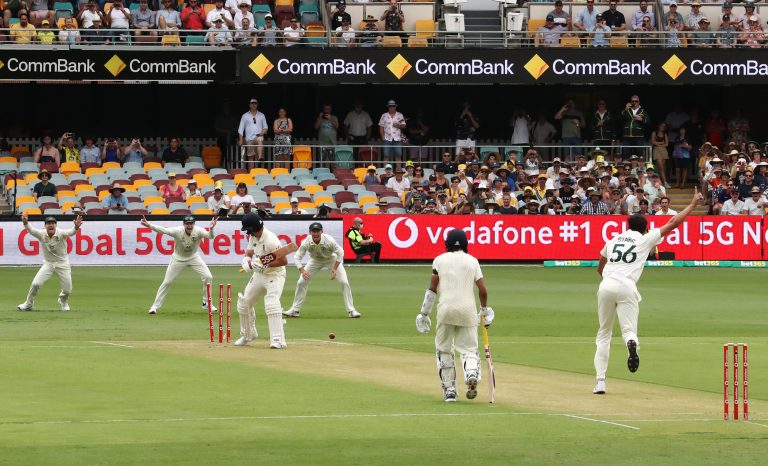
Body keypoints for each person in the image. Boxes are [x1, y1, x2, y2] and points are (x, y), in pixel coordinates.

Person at [592, 191, 703, 395]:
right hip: (627, 286)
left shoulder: (614, 240)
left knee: (604, 334)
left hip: (606, 284)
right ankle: (632, 344)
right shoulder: (644, 239)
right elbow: (672, 223)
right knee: (628, 331)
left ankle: (600, 382)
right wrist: (693, 204)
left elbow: (600, 267)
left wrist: (608, 283)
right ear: (645, 229)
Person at [415, 229, 493, 402]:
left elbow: (432, 289)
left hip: (446, 310)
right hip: (468, 311)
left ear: (447, 244)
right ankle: (471, 373)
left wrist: (424, 313)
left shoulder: (439, 260)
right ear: (465, 244)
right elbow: (483, 290)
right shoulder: (473, 261)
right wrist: (485, 310)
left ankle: (450, 390)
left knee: (444, 350)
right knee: (469, 349)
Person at [142, 215, 218, 315]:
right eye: (187, 224)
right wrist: (149, 225)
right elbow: (164, 230)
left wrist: (211, 228)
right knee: (167, 282)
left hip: (193, 257)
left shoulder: (199, 231)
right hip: (178, 259)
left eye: (191, 224)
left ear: (194, 224)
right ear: (183, 224)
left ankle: (207, 303)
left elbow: (210, 236)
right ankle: (154, 307)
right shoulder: (177, 231)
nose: (189, 226)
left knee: (208, 276)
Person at [283, 222, 361, 319]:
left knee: (344, 282)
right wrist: (303, 271)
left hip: (331, 259)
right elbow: (297, 257)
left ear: (322, 231)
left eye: (317, 231)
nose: (315, 234)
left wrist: (334, 268)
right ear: (310, 232)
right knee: (301, 282)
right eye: (313, 231)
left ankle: (351, 310)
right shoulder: (306, 242)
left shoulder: (329, 240)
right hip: (315, 261)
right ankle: (295, 310)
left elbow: (341, 253)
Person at [235, 213, 288, 348]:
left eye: (248, 230)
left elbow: (284, 261)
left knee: (271, 303)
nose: (248, 233)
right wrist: (246, 260)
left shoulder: (271, 240)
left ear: (254, 228)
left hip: (275, 275)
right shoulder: (253, 237)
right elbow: (249, 253)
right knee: (244, 303)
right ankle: (248, 335)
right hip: (259, 275)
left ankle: (278, 340)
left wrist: (266, 264)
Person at [18, 213, 83, 312]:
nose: (51, 225)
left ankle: (63, 301)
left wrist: (76, 227)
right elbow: (31, 230)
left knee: (67, 290)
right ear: (45, 226)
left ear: (56, 225)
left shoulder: (61, 233)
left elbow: (71, 232)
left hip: (62, 263)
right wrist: (25, 222)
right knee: (35, 284)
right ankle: (28, 304)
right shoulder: (42, 234)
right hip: (48, 263)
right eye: (48, 223)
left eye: (53, 223)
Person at [238, 98, 268, 164]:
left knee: (260, 140)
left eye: (255, 103)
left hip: (258, 135)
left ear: (257, 105)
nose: (254, 105)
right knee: (250, 156)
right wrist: (240, 139)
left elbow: (265, 127)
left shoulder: (262, 115)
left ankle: (260, 157)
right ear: (249, 105)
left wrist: (262, 132)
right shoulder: (245, 116)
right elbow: (241, 128)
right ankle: (251, 172)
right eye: (252, 103)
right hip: (249, 138)